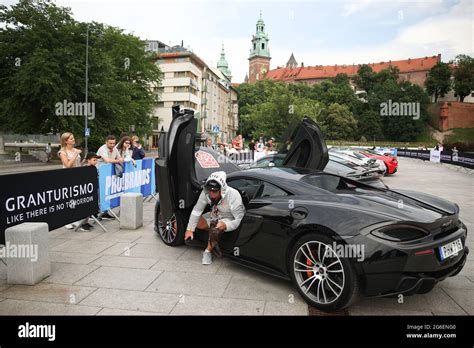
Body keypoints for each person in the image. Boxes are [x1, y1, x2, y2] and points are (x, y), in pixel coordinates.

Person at [184, 171, 245, 265]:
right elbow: (197, 210)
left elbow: (239, 219)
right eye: (209, 190)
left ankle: (208, 251)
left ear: (222, 189)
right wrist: (189, 229)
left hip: (229, 218)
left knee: (216, 228)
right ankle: (215, 240)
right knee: (198, 222)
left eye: (215, 191)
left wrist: (226, 225)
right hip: (215, 214)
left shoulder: (233, 195)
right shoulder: (206, 192)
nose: (211, 193)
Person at [57, 132, 92, 231]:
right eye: (71, 139)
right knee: (69, 199)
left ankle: (76, 219)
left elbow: (77, 164)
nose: (73, 140)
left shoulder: (76, 150)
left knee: (77, 198)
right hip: (67, 177)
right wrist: (76, 154)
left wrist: (85, 161)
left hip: (77, 176)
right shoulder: (62, 152)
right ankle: (67, 221)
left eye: (73, 138)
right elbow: (68, 165)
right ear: (65, 141)